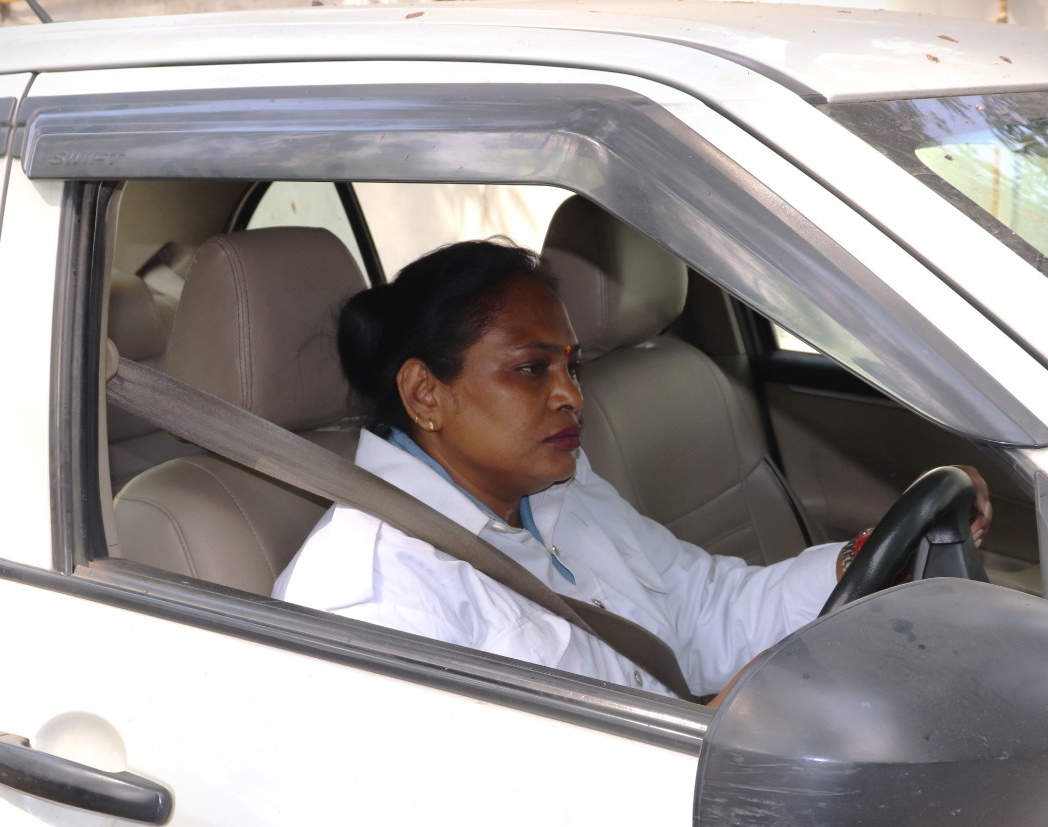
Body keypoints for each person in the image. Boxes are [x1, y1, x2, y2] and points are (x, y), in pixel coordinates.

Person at [275, 239, 989, 699]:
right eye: (530, 369)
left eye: (571, 366)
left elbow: (701, 609)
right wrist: (715, 727)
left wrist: (862, 566)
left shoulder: (560, 491)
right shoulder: (371, 594)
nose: (570, 394)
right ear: (426, 394)